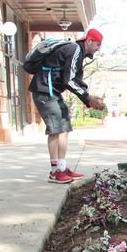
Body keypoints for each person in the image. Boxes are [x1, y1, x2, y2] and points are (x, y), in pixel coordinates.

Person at [29, 28, 106, 184]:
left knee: (65, 127)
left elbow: (76, 80)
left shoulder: (78, 54)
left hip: (53, 92)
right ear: (89, 41)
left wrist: (89, 100)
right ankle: (54, 171)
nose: (99, 48)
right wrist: (88, 97)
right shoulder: (75, 49)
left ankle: (62, 167)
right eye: (97, 45)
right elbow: (69, 81)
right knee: (55, 129)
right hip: (44, 91)